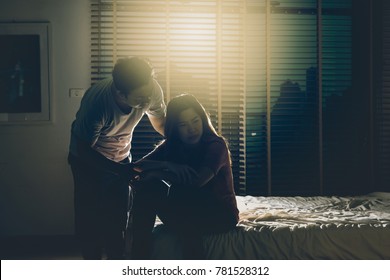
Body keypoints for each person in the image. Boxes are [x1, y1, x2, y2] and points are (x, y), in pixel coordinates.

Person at [68, 56, 166, 259]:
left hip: (121, 156)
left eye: (147, 95)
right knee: (90, 223)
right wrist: (120, 170)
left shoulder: (150, 89)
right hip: (86, 161)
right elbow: (84, 150)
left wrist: (180, 143)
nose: (145, 103)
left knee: (118, 219)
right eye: (139, 99)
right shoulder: (98, 104)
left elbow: (160, 122)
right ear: (120, 93)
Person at [131, 93, 239, 259]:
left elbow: (197, 181)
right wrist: (166, 164)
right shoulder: (172, 146)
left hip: (219, 214)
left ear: (202, 120)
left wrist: (157, 173)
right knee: (150, 188)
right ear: (175, 128)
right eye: (183, 124)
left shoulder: (216, 145)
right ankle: (139, 255)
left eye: (195, 121)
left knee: (183, 196)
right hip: (187, 210)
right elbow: (136, 167)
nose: (192, 129)